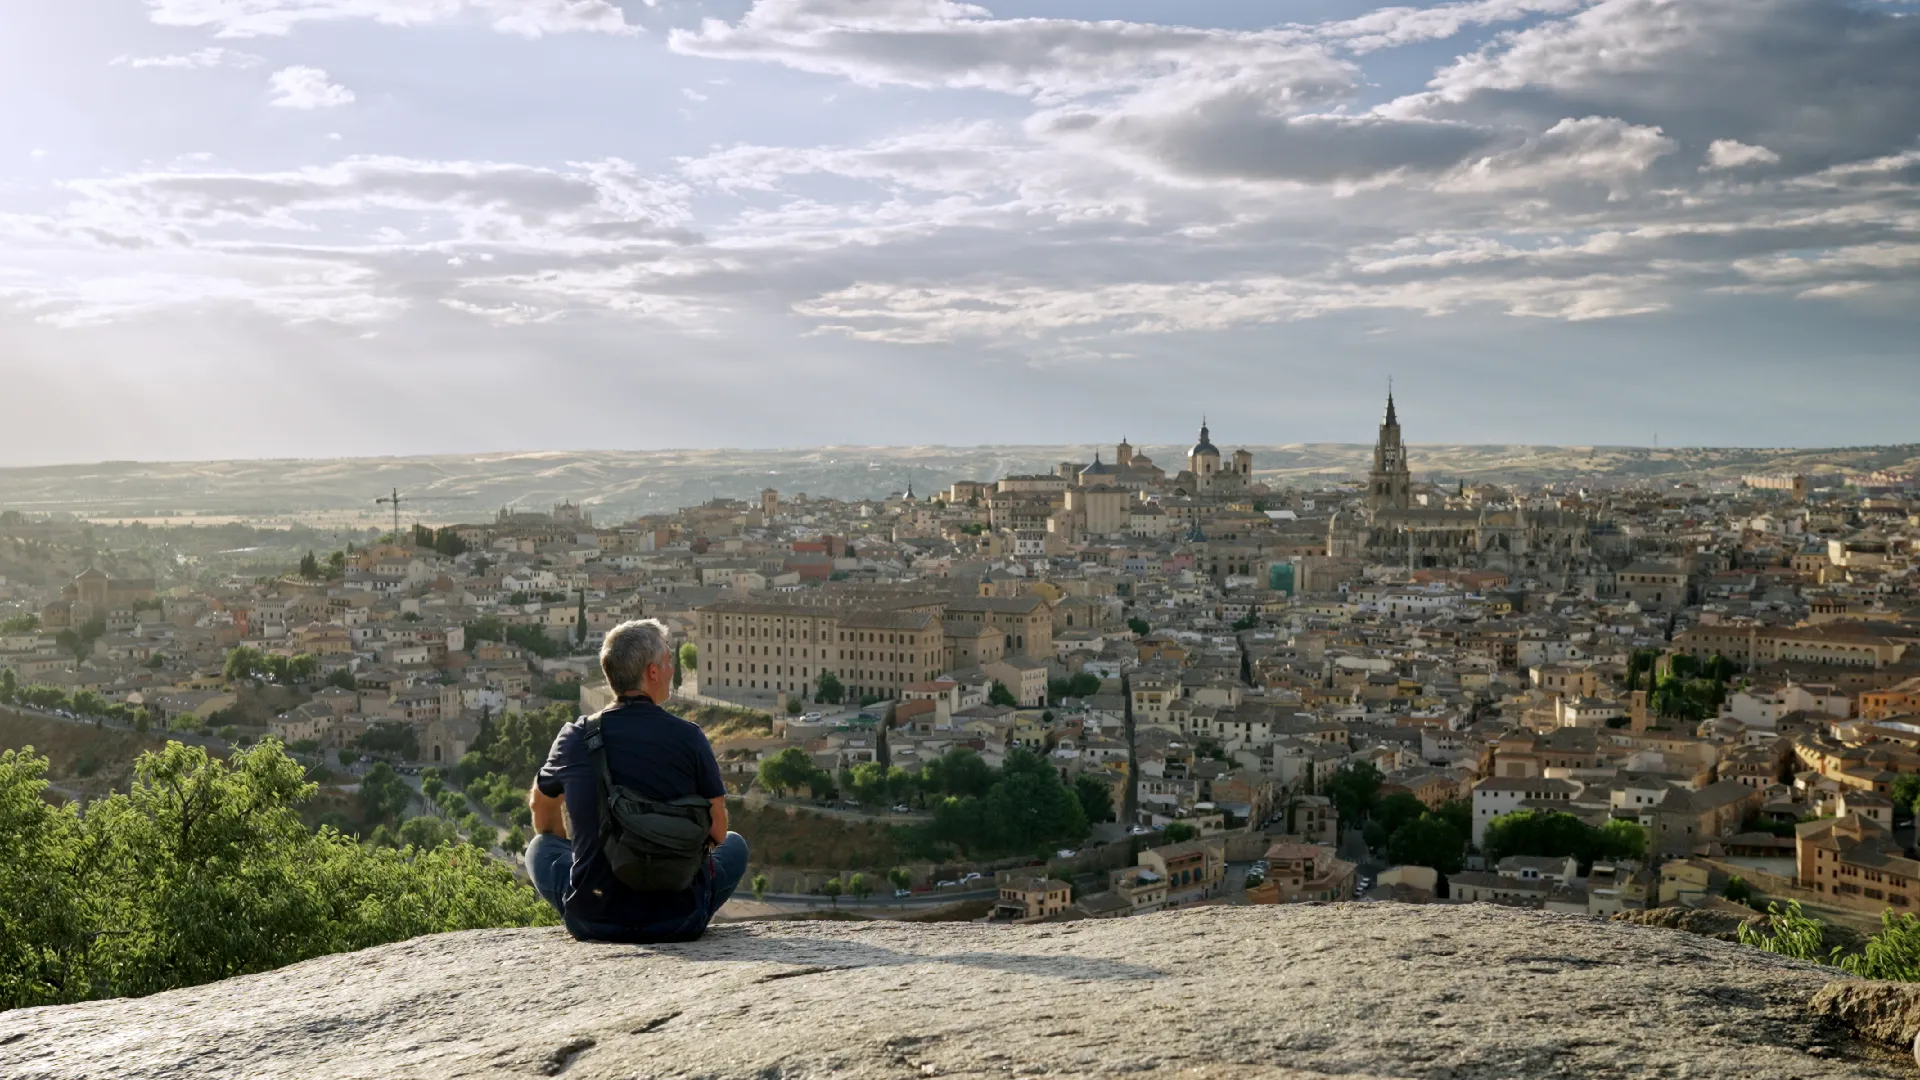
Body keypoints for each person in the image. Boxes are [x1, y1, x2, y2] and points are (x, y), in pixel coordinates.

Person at [525, 618, 749, 942]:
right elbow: (717, 831)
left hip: (595, 920)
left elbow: (540, 808)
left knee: (541, 847)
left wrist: (585, 855)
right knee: (736, 844)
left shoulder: (575, 737)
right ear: (652, 672)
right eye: (669, 660)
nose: (673, 669)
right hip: (678, 920)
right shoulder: (690, 737)